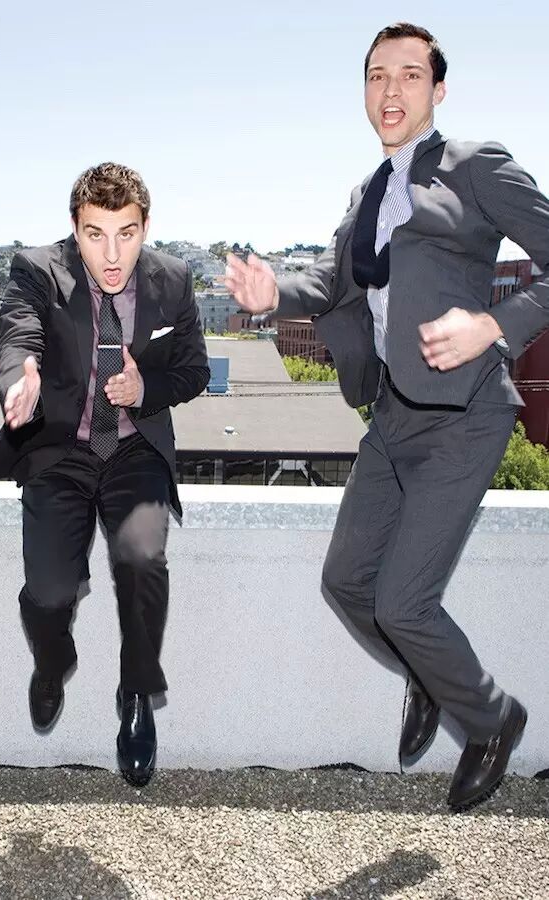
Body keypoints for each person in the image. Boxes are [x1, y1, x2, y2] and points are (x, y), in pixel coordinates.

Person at [225, 23, 548, 811]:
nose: (391, 89)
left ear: (438, 89)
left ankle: (493, 718)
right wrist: (271, 294)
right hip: (393, 414)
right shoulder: (365, 193)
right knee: (346, 582)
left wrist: (493, 326)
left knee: (403, 602)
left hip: (465, 415)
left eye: (409, 74)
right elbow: (334, 282)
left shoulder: (475, 165)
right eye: (377, 76)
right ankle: (429, 677)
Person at [0, 162, 210, 786]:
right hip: (61, 450)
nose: (112, 255)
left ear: (145, 227)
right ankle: (52, 661)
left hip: (135, 450)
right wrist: (20, 377)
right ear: (74, 228)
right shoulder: (37, 269)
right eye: (95, 234)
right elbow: (19, 335)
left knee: (142, 560)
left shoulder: (173, 280)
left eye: (126, 234)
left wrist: (144, 388)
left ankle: (136, 696)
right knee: (49, 593)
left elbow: (193, 370)